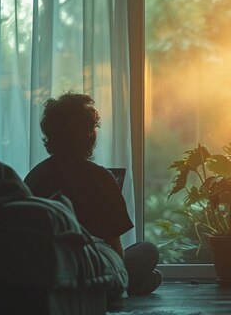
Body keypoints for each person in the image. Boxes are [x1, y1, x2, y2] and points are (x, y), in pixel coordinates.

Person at [24, 92, 162, 296]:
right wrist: (121, 277)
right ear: (89, 134)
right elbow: (115, 248)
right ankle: (126, 287)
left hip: (47, 270)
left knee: (146, 270)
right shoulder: (100, 177)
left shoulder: (34, 176)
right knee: (148, 251)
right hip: (93, 270)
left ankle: (133, 283)